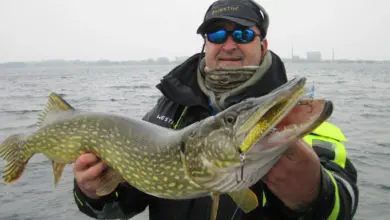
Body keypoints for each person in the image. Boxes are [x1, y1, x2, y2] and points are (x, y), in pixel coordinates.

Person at [72, 0, 359, 219]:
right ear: (205, 44)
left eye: (244, 34)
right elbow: (122, 206)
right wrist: (92, 192)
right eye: (218, 34)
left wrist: (316, 192)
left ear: (263, 44)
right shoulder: (171, 108)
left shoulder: (293, 115)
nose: (229, 44)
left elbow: (344, 201)